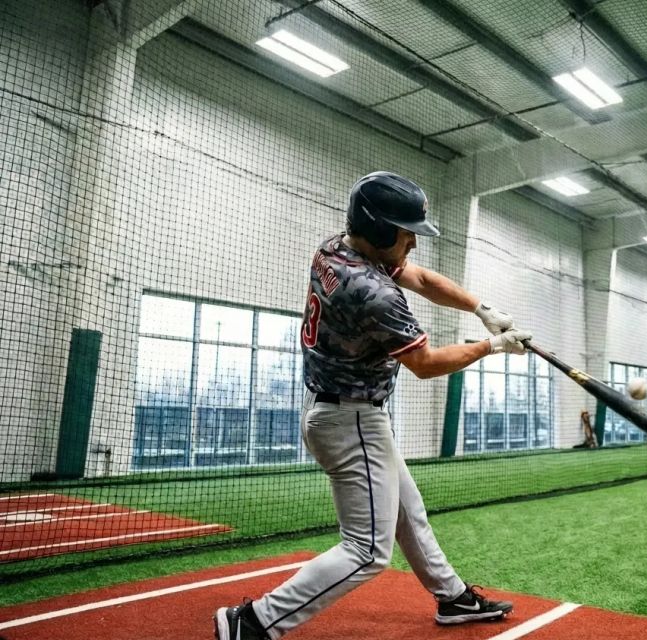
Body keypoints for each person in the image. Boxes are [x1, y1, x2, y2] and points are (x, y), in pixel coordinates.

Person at [214, 171, 532, 640]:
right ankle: (255, 622)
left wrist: (480, 308)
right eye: (406, 234)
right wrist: (493, 347)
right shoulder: (372, 293)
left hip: (343, 412)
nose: (413, 244)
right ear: (381, 231)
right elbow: (424, 363)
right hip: (351, 420)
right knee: (366, 551)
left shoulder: (337, 248)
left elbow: (420, 277)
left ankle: (452, 597)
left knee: (408, 510)